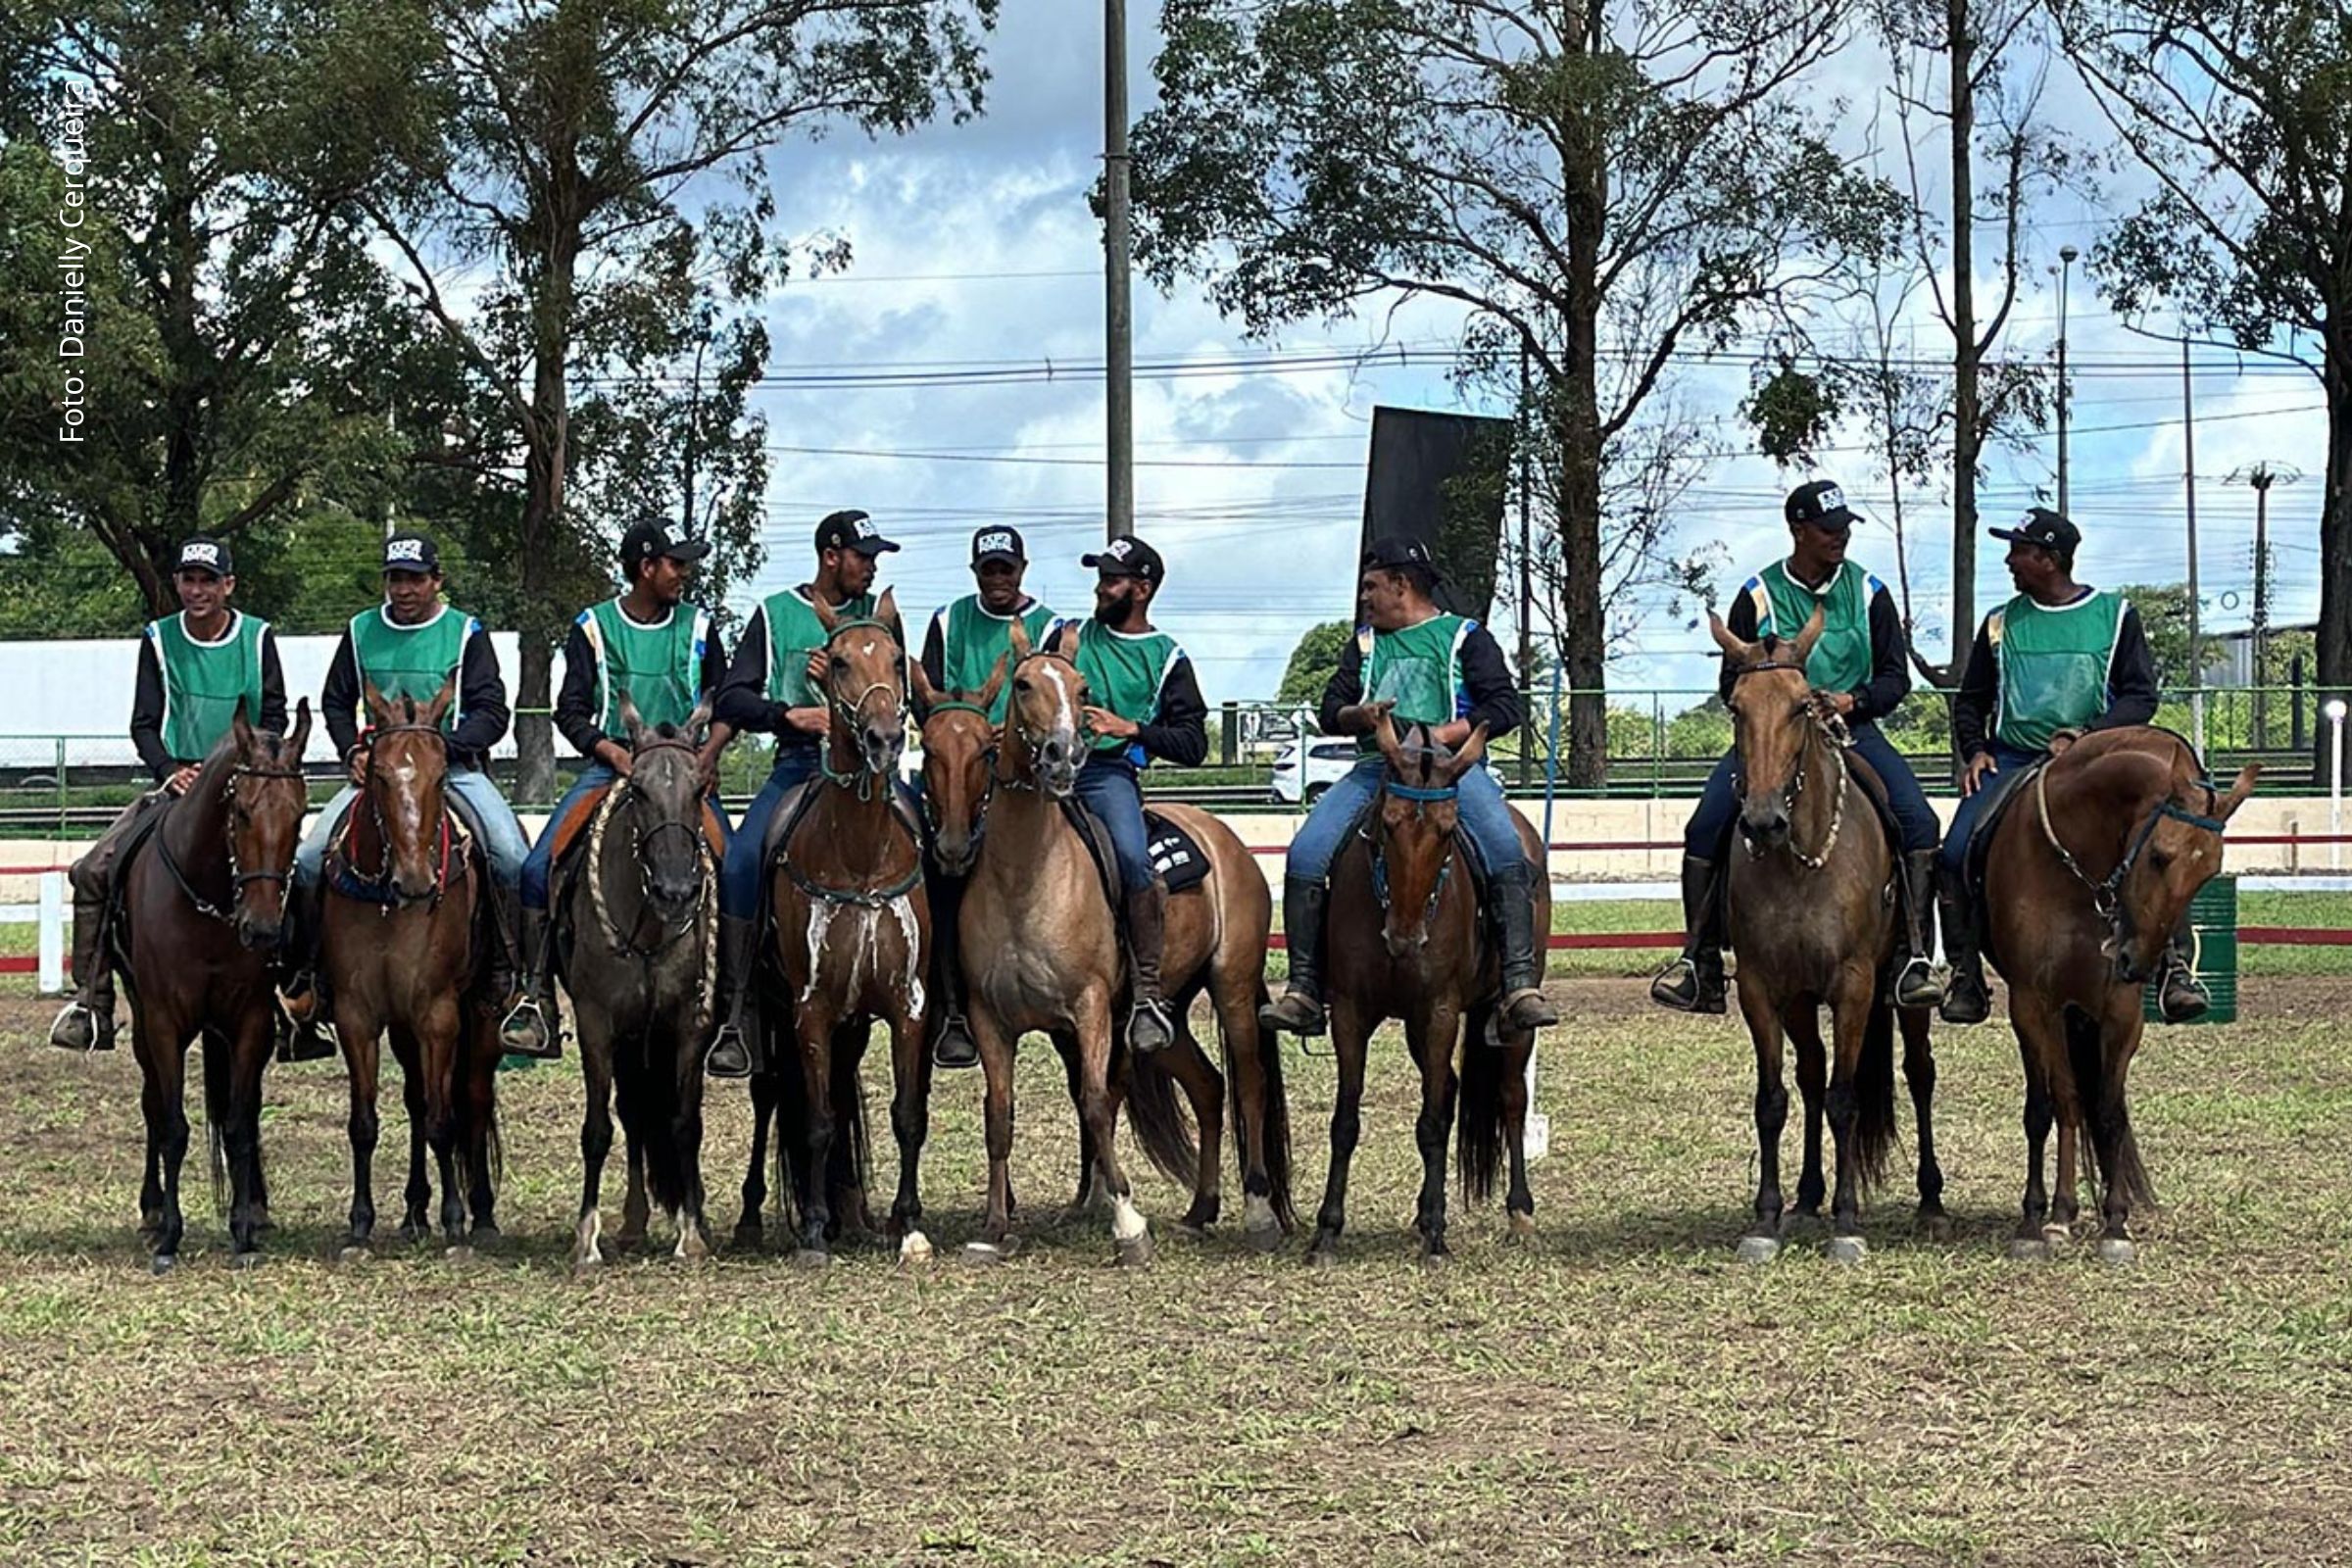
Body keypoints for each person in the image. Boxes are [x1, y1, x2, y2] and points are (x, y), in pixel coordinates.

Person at [1651, 480, 1945, 1014]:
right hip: (1771, 735)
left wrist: (1853, 700)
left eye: (1844, 530)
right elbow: (1729, 684)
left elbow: (1896, 678)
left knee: (1917, 820)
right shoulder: (1757, 595)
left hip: (1852, 730)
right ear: (1798, 530)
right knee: (1706, 825)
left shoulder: (1870, 592)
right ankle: (1701, 962)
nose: (1840, 539)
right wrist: (1777, 699)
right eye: (1829, 530)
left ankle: (1913, 956)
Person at [1259, 536, 1560, 1039]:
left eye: (1372, 587)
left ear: (1402, 585)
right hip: (1376, 771)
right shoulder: (1363, 644)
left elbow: (1506, 707)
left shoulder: (1467, 638)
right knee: (1307, 854)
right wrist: (1360, 715)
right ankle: (1306, 989)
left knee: (1508, 852)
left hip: (1453, 775)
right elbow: (1330, 708)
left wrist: (1440, 737)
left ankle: (1517, 985)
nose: (1365, 598)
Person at [1940, 507, 2206, 1025]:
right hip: (2016, 759)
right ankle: (1965, 972)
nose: (2009, 560)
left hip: (2097, 763)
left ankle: (2176, 966)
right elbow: (1971, 699)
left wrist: (2089, 736)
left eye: (2018, 550)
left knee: (2164, 847)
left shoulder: (2115, 614)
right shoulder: (2000, 623)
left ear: (2048, 559)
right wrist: (1975, 749)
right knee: (1954, 852)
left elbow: (2139, 695)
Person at [281, 533, 531, 1045]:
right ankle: (307, 980)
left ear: (437, 581)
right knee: (309, 859)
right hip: (378, 776)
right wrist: (353, 749)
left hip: (451, 770)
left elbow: (492, 710)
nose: (404, 589)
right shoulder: (359, 631)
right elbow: (335, 701)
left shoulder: (465, 633)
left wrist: (446, 748)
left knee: (510, 855)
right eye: (396, 578)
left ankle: (515, 981)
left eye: (416, 578)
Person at [499, 518, 735, 1058]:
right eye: (676, 563)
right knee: (539, 867)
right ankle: (537, 996)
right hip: (613, 768)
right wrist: (615, 754)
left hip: (684, 779)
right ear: (645, 567)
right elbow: (571, 711)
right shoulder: (592, 628)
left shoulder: (699, 626)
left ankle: (736, 1002)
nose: (684, 573)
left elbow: (724, 701)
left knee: (738, 866)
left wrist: (710, 753)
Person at [49, 536, 288, 1051]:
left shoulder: (257, 637)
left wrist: (243, 765)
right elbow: (144, 723)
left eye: (208, 580)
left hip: (246, 784)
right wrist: (170, 769)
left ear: (229, 585)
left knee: (300, 870)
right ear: (177, 583)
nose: (196, 590)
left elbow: (273, 716)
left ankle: (294, 997)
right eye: (188, 579)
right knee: (92, 870)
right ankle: (93, 1002)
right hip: (175, 786)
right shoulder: (158, 638)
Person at [706, 509, 906, 1078]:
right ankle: (737, 1009)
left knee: (938, 849)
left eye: (874, 560)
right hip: (798, 767)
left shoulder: (881, 620)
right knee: (742, 861)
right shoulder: (776, 614)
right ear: (830, 556)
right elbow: (733, 698)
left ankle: (936, 1000)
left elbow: (903, 695)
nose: (870, 568)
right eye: (863, 557)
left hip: (874, 774)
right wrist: (788, 713)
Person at [1040, 534, 1208, 1055]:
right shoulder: (1066, 636)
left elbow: (1193, 743)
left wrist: (1131, 728)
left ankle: (1147, 992)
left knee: (1135, 862)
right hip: (1040, 771)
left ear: (1142, 589)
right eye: (1100, 577)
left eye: (1112, 579)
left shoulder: (1166, 657)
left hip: (1107, 775)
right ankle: (955, 996)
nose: (1100, 588)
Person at [915, 524, 1059, 1070]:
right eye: (987, 569)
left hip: (1029, 777)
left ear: (1022, 569)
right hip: (958, 774)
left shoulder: (1047, 626)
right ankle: (946, 1008)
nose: (998, 578)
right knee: (925, 863)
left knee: (1100, 849)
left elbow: (1059, 698)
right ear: (975, 571)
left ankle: (1124, 981)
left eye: (1007, 568)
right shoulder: (949, 621)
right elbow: (924, 700)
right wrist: (966, 734)